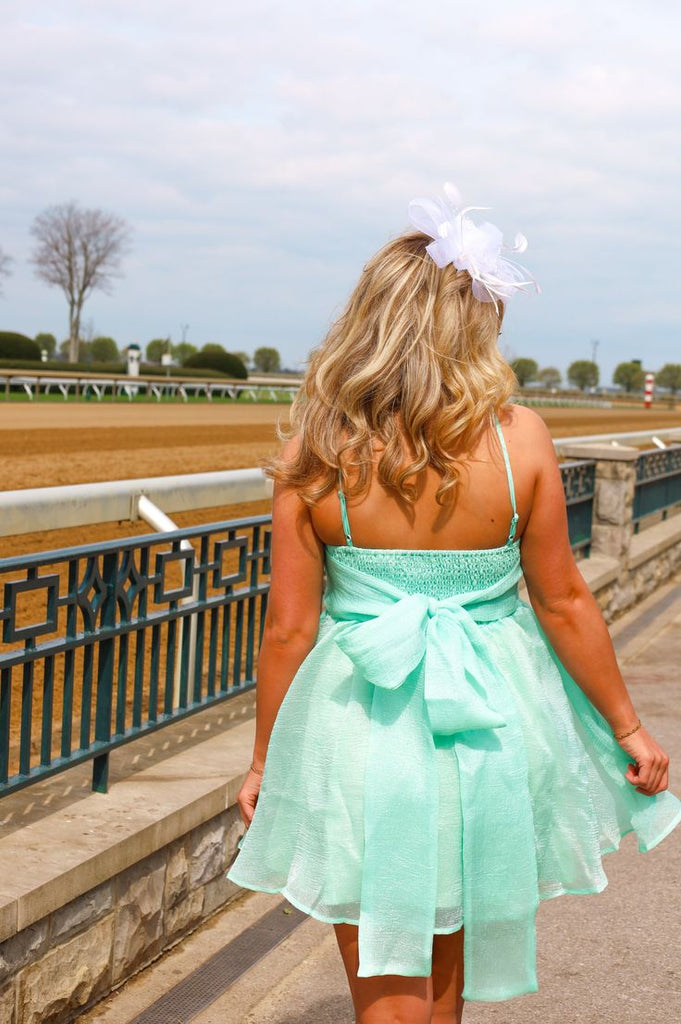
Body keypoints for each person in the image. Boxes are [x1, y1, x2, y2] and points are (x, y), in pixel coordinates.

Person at [226, 183, 681, 1023]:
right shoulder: (520, 439)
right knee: (443, 988)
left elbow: (288, 629)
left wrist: (264, 762)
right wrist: (626, 726)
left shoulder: (315, 452)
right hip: (486, 727)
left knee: (382, 991)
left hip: (355, 727)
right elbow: (565, 600)